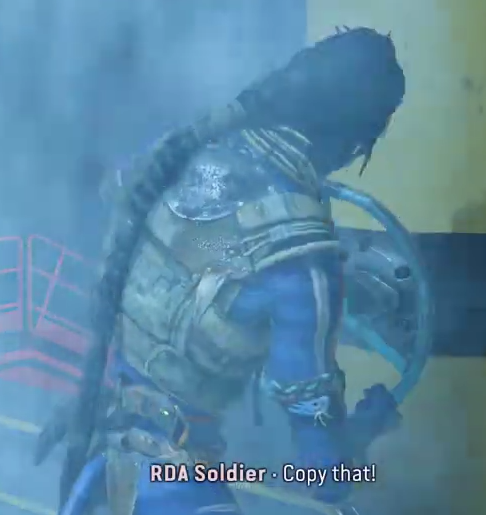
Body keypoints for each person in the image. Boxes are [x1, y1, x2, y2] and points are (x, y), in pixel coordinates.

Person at [47, 26, 407, 515]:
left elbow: (185, 257)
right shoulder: (301, 256)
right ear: (354, 144)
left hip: (102, 476)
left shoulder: (178, 155)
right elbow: (323, 475)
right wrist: (367, 426)